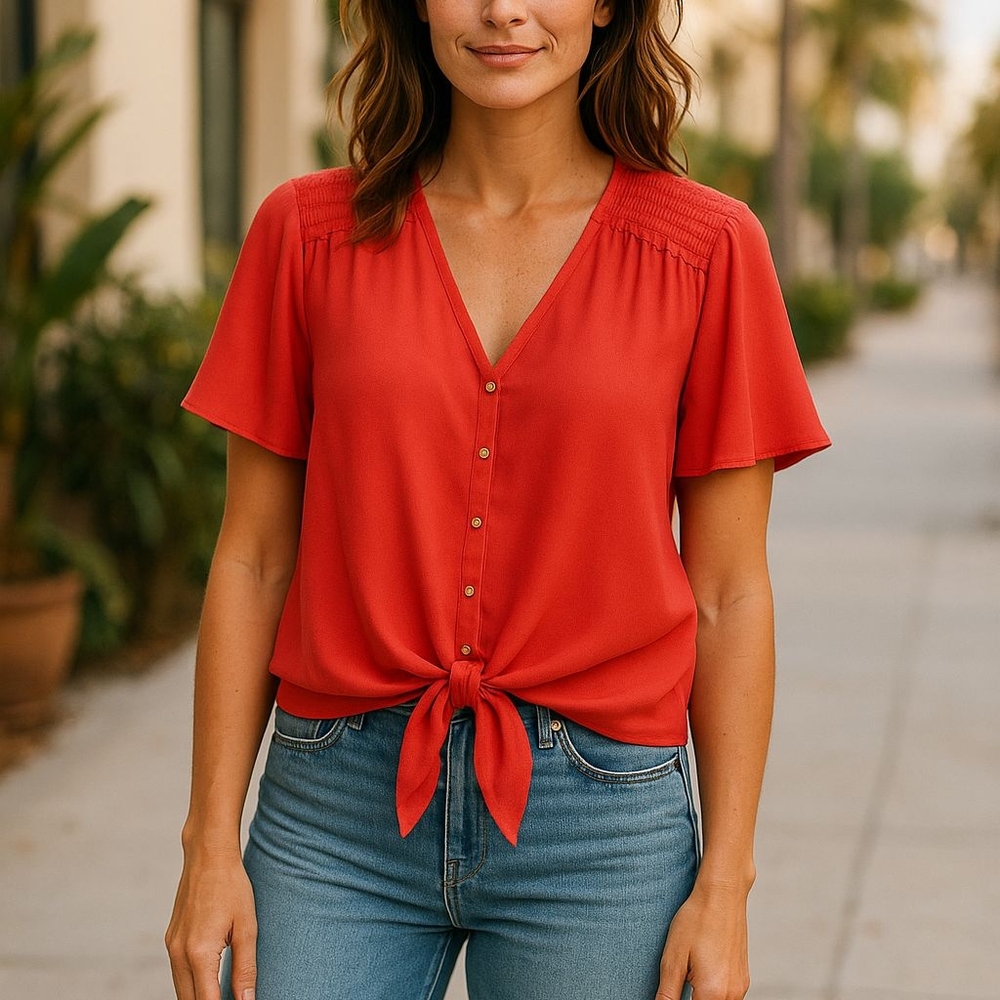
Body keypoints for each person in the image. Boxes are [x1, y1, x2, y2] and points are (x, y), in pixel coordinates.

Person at [165, 0, 830, 998]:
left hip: (599, 824)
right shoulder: (304, 234)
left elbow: (729, 590)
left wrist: (725, 883)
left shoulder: (707, 250)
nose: (502, 10)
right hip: (334, 813)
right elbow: (254, 557)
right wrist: (208, 848)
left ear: (607, 5)